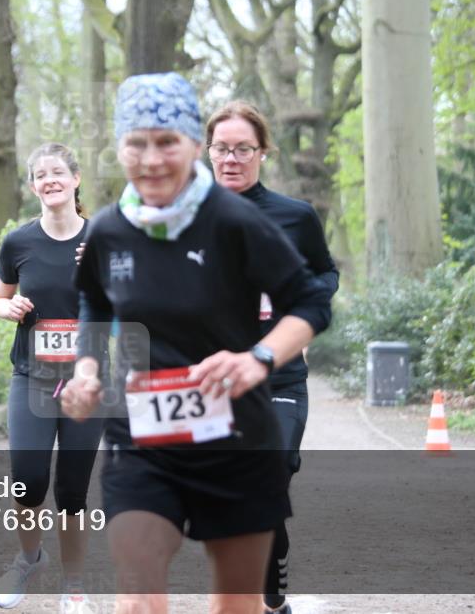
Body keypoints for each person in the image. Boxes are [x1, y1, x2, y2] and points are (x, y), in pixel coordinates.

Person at [61, 73, 330, 614]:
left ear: (190, 145)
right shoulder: (110, 229)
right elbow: (94, 302)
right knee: (137, 601)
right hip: (143, 437)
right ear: (119, 148)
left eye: (167, 142)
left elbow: (311, 302)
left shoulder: (234, 221)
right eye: (137, 143)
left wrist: (260, 357)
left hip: (234, 436)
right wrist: (87, 367)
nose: (152, 159)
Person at [206, 101, 339, 614]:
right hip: (213, 384)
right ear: (208, 152)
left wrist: (302, 319)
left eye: (244, 148)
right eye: (222, 148)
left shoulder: (295, 217)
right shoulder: (183, 218)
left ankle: (269, 591)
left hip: (280, 377)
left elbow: (325, 276)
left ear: (263, 152)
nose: (232, 158)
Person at [0, 143, 103, 613]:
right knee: (28, 481)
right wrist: (7, 307)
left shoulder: (102, 240)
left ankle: (73, 586)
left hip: (88, 381)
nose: (50, 179)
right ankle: (28, 559)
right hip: (32, 377)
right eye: (41, 174)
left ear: (76, 180)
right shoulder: (19, 242)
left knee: (72, 493)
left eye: (59, 171)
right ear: (33, 185)